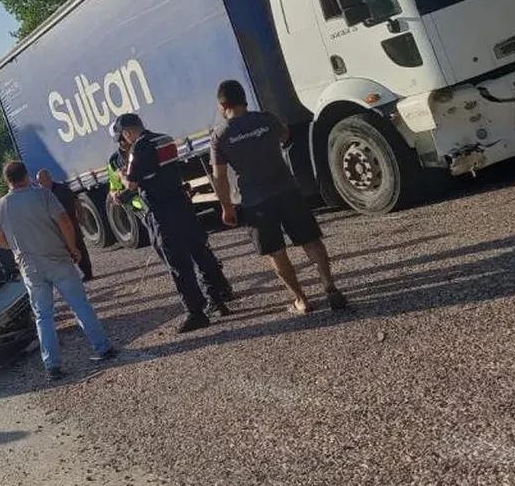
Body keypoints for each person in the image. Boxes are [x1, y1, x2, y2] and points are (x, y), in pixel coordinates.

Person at [210, 79, 348, 314]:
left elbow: (219, 176)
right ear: (244, 99)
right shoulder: (266, 119)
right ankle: (329, 286)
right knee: (310, 240)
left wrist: (226, 207)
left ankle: (302, 300)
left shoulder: (220, 136)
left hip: (256, 201)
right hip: (287, 190)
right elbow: (285, 136)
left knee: (276, 252)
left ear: (223, 106)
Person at [0, 160, 117, 380]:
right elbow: (65, 222)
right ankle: (103, 348)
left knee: (43, 316)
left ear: (7, 181)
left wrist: (20, 244)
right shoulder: (43, 195)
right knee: (79, 305)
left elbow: (0, 241)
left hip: (29, 265)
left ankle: (52, 365)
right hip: (57, 258)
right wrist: (73, 248)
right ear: (26, 175)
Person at [116, 113, 234, 333]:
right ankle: (217, 296)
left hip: (161, 211)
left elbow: (131, 183)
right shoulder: (165, 139)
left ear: (127, 133)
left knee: (178, 263)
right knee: (200, 250)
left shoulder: (138, 149)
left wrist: (123, 181)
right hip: (182, 204)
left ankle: (195, 312)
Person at [36, 169, 94, 281]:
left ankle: (87, 272)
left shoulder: (62, 189)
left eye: (42, 181)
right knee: (63, 253)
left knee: (79, 247)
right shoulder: (41, 195)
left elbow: (76, 201)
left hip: (71, 224)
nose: (40, 184)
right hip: (56, 229)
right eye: (39, 182)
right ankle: (71, 276)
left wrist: (81, 216)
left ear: (48, 179)